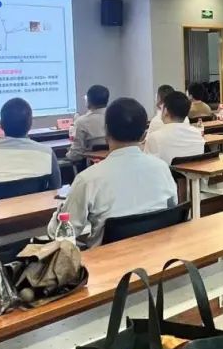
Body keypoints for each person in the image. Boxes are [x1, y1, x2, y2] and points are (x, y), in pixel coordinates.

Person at [57, 98, 177, 246]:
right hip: (157, 252)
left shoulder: (88, 179)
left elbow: (64, 231)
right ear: (143, 135)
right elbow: (172, 209)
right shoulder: (162, 168)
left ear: (106, 131)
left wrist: (61, 209)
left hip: (106, 258)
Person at [0, 98, 62, 189]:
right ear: (30, 124)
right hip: (37, 198)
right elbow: (56, 188)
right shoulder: (46, 153)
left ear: (1, 125)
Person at [143, 91, 205, 164]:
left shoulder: (154, 138)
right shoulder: (197, 134)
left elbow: (147, 164)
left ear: (165, 110)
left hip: (168, 171)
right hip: (195, 171)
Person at [66, 85, 109, 161]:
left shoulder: (81, 122)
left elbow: (75, 155)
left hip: (91, 165)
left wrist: (66, 155)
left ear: (89, 101)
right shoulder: (116, 118)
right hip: (113, 161)